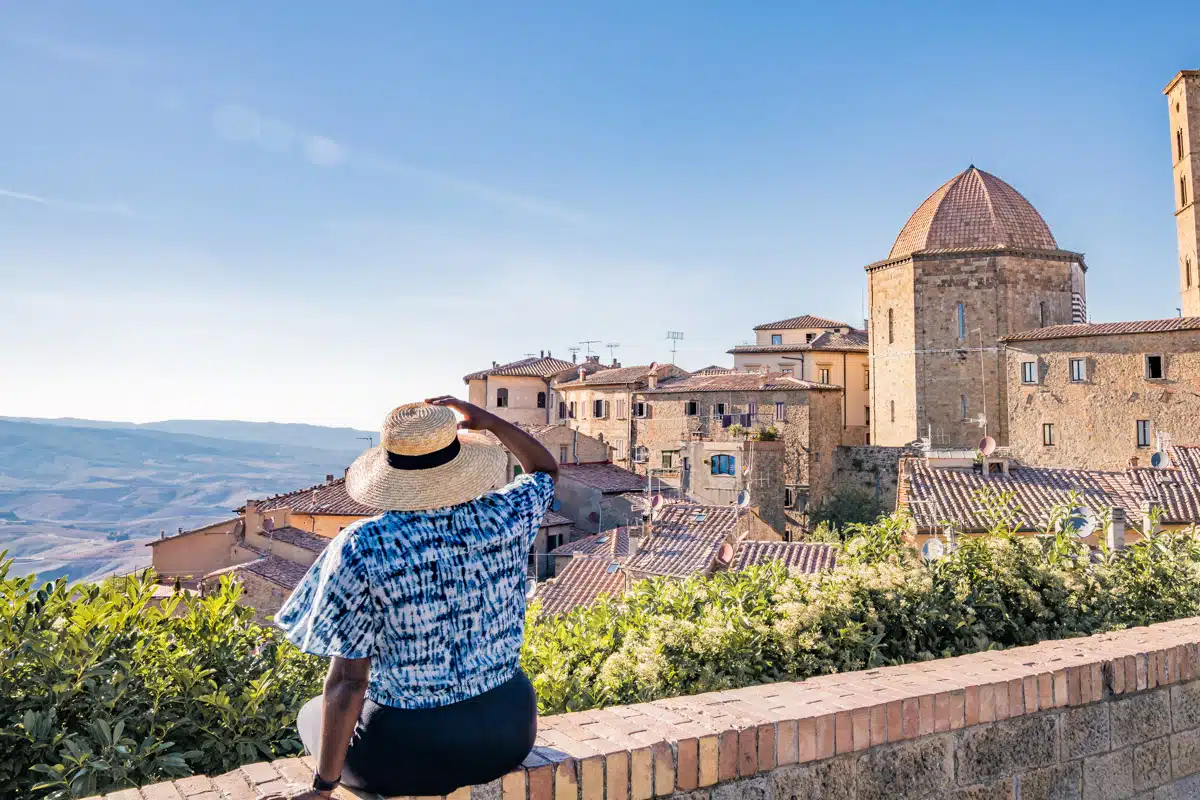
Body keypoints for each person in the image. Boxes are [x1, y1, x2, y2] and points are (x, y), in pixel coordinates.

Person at [265, 396, 557, 798]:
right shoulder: (506, 516)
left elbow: (349, 683)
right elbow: (544, 469)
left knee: (311, 714)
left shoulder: (364, 547)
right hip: (509, 733)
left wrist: (323, 787)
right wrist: (490, 422)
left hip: (410, 753)